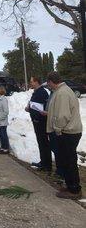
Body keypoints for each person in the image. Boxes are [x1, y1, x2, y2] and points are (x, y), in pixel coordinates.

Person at [46, 72, 83, 200]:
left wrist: (57, 129)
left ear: (51, 81)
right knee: (67, 160)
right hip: (68, 131)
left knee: (69, 161)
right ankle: (70, 185)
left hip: (68, 132)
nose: (48, 85)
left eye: (48, 83)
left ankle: (74, 189)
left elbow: (62, 115)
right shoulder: (63, 90)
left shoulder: (62, 93)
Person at [25, 76, 51, 171]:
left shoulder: (41, 92)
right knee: (41, 142)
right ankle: (43, 161)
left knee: (44, 143)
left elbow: (42, 107)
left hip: (41, 122)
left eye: (31, 81)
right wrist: (29, 108)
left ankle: (46, 165)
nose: (30, 83)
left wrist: (32, 109)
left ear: (37, 82)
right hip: (37, 121)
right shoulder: (36, 92)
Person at [0, 86, 10, 154]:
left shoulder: (3, 99)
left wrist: (0, 118)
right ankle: (3, 147)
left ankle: (6, 148)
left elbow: (6, 111)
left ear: (0, 91)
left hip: (2, 120)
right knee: (1, 134)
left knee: (3, 135)